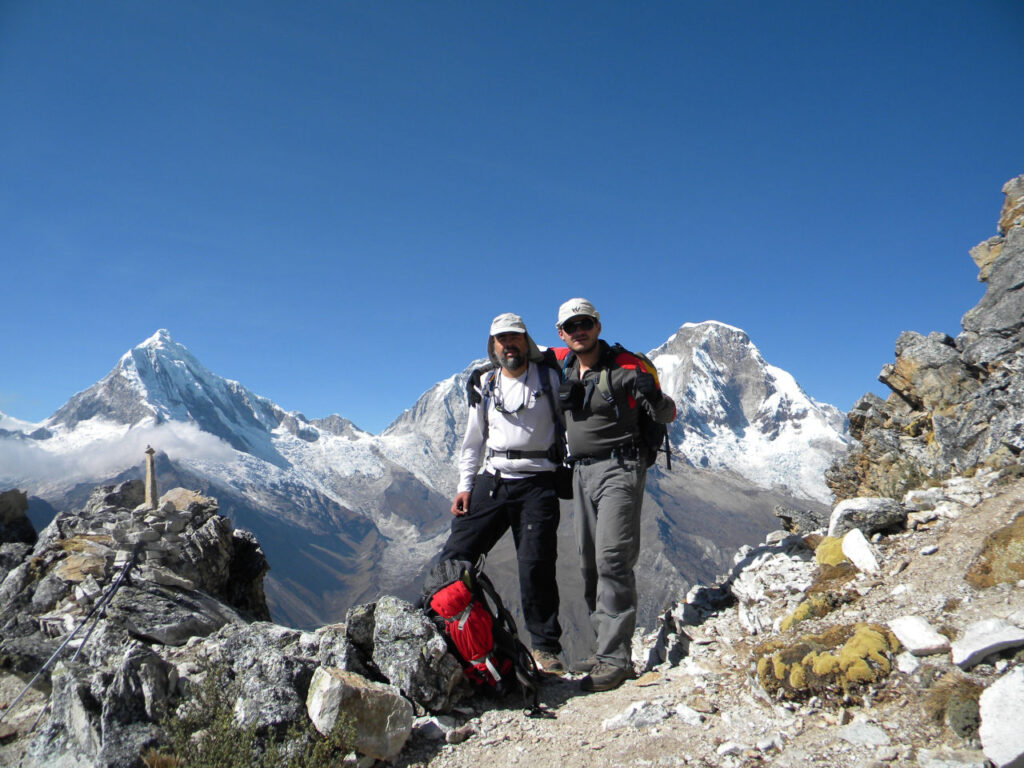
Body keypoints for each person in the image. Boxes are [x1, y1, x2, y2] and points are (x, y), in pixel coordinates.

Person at [554, 298, 676, 692]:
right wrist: (487, 371)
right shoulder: (563, 365)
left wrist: (654, 399)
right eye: (571, 326)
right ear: (562, 333)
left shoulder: (626, 368)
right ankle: (603, 648)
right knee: (589, 564)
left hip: (620, 469)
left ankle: (616, 658)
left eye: (585, 323)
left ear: (597, 326)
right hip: (581, 473)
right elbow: (517, 354)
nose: (579, 331)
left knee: (612, 558)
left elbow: (666, 412)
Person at [437, 312, 566, 674]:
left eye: (515, 337)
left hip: (539, 482)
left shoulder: (550, 377)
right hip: (492, 480)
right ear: (493, 346)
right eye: (501, 340)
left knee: (536, 566)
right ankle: (442, 627)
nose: (509, 345)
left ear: (526, 341)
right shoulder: (485, 383)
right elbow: (473, 441)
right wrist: (465, 487)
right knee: (456, 556)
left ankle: (545, 648)